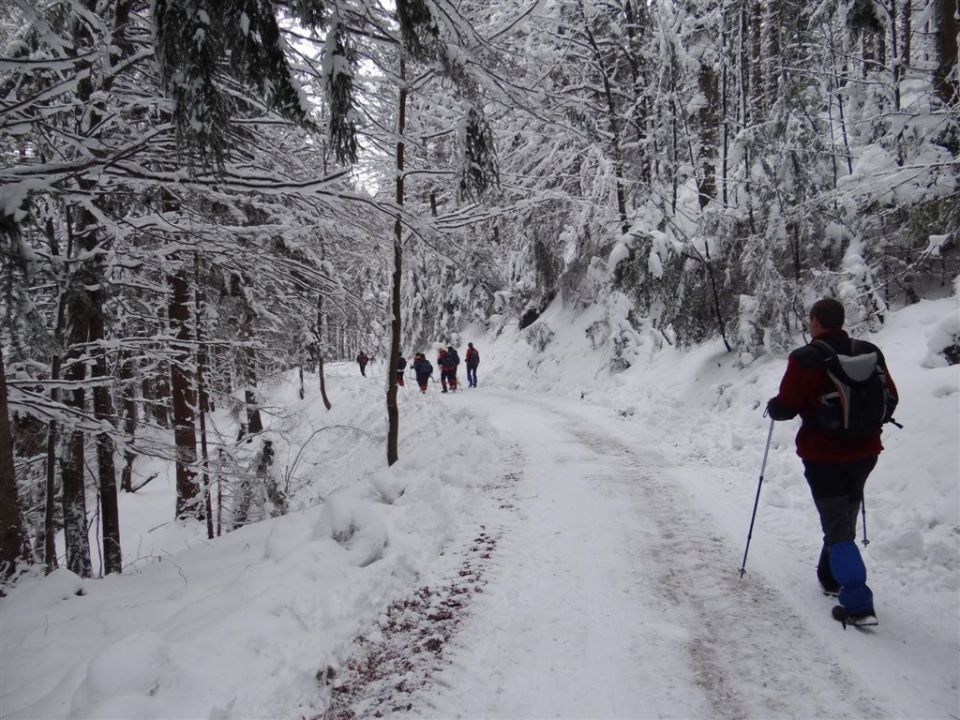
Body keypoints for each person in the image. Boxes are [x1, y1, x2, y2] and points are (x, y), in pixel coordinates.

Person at [766, 298, 898, 627]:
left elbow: (788, 405)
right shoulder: (869, 351)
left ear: (815, 322)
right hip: (866, 452)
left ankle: (858, 602)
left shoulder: (806, 358)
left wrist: (773, 406)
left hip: (823, 455)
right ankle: (829, 577)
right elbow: (891, 398)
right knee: (843, 513)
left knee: (838, 524)